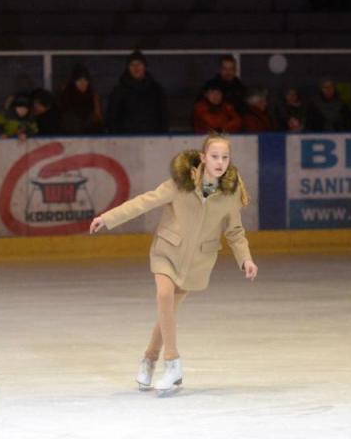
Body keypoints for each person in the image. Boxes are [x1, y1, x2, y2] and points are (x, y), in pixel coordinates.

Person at [88, 133, 258, 396]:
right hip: (167, 251)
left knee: (165, 313)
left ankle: (148, 359)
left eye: (225, 157)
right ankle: (172, 362)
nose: (220, 162)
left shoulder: (230, 193)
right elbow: (144, 202)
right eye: (214, 156)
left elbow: (234, 231)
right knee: (164, 295)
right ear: (203, 158)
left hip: (197, 262)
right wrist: (108, 218)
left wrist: (245, 258)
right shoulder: (181, 183)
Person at [105, 50, 169, 134]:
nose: (136, 68)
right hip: (126, 141)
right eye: (132, 65)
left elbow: (164, 116)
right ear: (128, 68)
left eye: (139, 64)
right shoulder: (119, 91)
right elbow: (112, 118)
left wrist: (160, 137)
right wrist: (119, 139)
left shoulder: (156, 90)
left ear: (145, 66)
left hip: (152, 140)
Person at [59, 64, 104, 134]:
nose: (83, 83)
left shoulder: (93, 98)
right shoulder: (66, 98)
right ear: (73, 82)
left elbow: (98, 121)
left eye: (85, 80)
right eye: (79, 80)